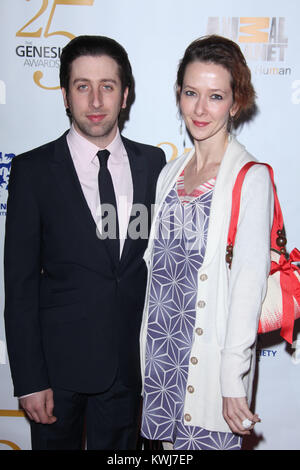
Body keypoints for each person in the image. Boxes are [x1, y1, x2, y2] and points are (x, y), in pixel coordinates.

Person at [4, 35, 166, 450]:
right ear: (64, 95)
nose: (95, 100)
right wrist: (30, 379)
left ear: (125, 95)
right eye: (82, 86)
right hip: (56, 376)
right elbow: (19, 286)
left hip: (129, 372)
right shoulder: (34, 170)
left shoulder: (154, 164)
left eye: (107, 86)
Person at [139, 35, 273, 450]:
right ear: (178, 94)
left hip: (209, 369)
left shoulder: (250, 177)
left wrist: (233, 377)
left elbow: (249, 286)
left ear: (235, 103)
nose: (200, 109)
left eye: (215, 96)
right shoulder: (169, 174)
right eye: (191, 93)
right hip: (160, 361)